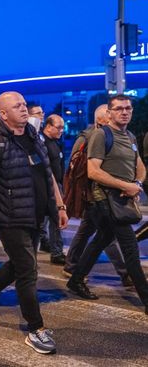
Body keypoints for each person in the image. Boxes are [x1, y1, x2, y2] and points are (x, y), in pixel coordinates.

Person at [0, 91, 67, 354]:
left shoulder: (34, 136)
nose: (24, 109)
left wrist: (59, 206)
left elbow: (48, 174)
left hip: (36, 215)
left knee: (20, 264)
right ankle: (35, 328)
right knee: (28, 270)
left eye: (24, 104)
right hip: (10, 218)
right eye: (17, 106)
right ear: (3, 114)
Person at [67, 95, 148, 315]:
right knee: (130, 248)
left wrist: (136, 184)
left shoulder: (130, 136)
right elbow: (93, 172)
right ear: (109, 113)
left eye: (128, 108)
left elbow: (139, 166)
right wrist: (125, 185)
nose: (125, 112)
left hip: (121, 198)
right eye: (119, 109)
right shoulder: (102, 135)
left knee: (101, 239)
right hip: (104, 199)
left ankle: (75, 279)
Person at [63, 104, 129, 283]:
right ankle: (125, 273)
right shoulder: (89, 137)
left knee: (86, 231)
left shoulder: (110, 136)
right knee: (107, 234)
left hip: (105, 193)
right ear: (100, 121)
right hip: (93, 195)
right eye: (109, 120)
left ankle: (71, 265)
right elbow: (76, 169)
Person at [41, 114, 66, 265]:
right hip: (48, 188)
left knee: (51, 219)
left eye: (63, 127)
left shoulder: (56, 142)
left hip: (57, 186)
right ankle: (56, 252)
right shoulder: (41, 143)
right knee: (55, 219)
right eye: (59, 127)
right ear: (49, 126)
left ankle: (49, 245)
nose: (61, 130)